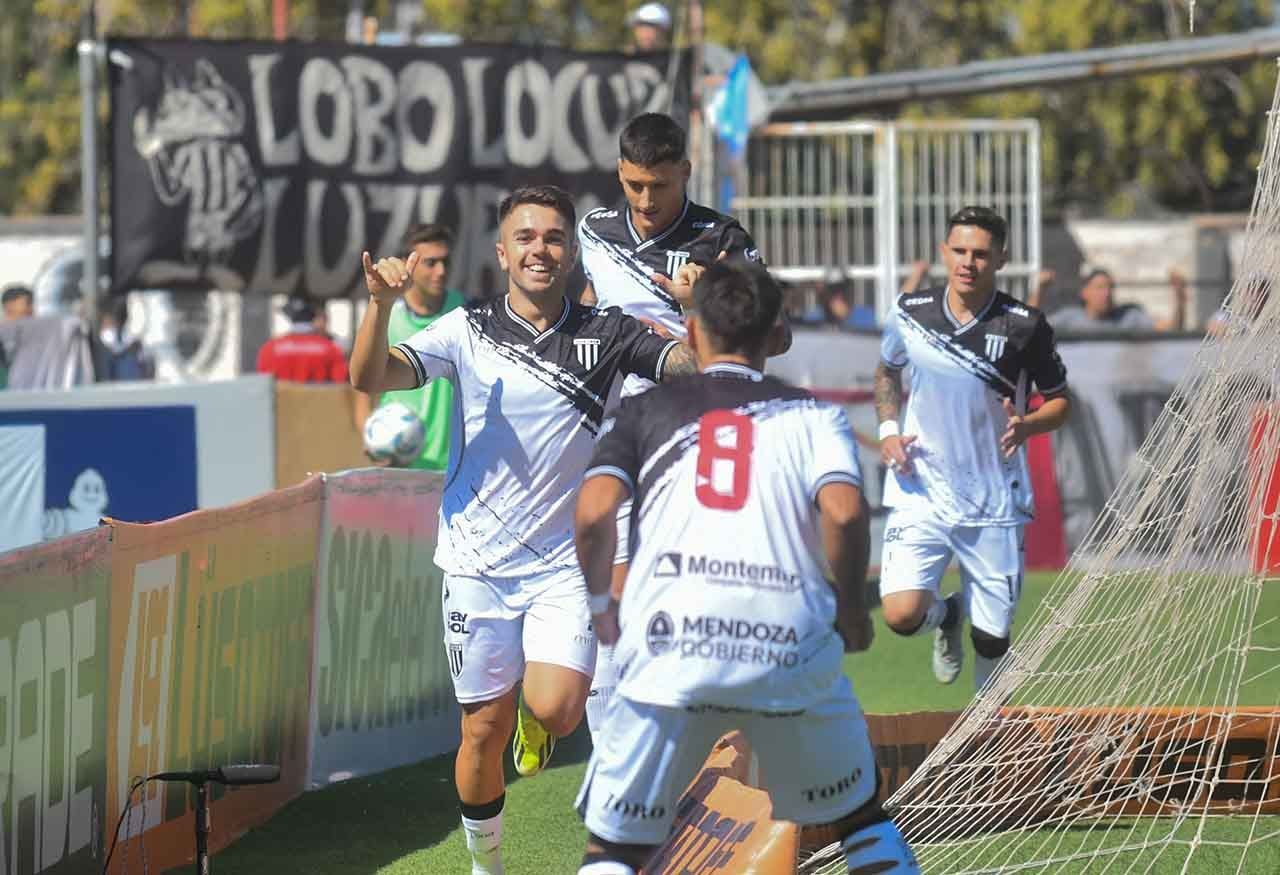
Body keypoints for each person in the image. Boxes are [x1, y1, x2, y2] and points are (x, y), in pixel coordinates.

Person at [349, 184, 698, 875]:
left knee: (561, 709)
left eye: (555, 238)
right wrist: (379, 305)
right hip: (476, 562)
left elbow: (693, 367)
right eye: (527, 238)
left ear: (571, 253)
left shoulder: (611, 332)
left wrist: (696, 309)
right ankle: (488, 866)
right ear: (504, 252)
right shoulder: (465, 329)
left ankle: (539, 717)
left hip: (567, 563)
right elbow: (370, 376)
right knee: (482, 729)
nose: (541, 250)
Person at [573, 261, 917, 875]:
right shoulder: (813, 415)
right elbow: (842, 513)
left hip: (668, 646)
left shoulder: (646, 410)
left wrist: (602, 610)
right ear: (773, 334)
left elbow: (595, 513)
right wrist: (848, 612)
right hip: (786, 643)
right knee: (862, 823)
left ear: (691, 329)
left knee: (615, 850)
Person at [577, 110, 789, 743]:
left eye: (660, 186)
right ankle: (616, 778)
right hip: (617, 436)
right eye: (635, 185)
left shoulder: (723, 241)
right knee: (610, 607)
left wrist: (699, 306)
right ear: (620, 172)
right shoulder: (594, 230)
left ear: (686, 174)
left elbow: (774, 337)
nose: (645, 200)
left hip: (698, 437)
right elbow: (588, 305)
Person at [875, 206, 1071, 694]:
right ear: (944, 252)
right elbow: (886, 370)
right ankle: (946, 614)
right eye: (959, 251)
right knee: (900, 614)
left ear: (1001, 258)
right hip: (920, 486)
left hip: (993, 499)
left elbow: (1063, 403)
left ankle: (986, 751)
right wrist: (887, 429)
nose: (968, 262)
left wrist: (1027, 426)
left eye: (981, 254)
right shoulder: (909, 312)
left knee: (991, 640)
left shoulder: (1025, 325)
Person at [355, 223, 466, 470]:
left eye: (445, 262)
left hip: (451, 466)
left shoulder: (463, 312)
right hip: (398, 464)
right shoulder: (386, 314)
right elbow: (363, 391)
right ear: (409, 264)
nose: (441, 271)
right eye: (431, 263)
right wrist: (371, 437)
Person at [1039, 267, 1188, 334]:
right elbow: (1031, 327)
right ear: (1085, 292)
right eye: (1100, 288)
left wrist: (1179, 298)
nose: (1107, 293)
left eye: (1110, 287)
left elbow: (1172, 329)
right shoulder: (1070, 317)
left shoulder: (1128, 317)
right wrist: (1039, 289)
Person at [255, 295, 349, 383]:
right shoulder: (331, 349)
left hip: (283, 400)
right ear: (314, 315)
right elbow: (341, 385)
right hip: (318, 400)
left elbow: (263, 388)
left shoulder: (270, 349)